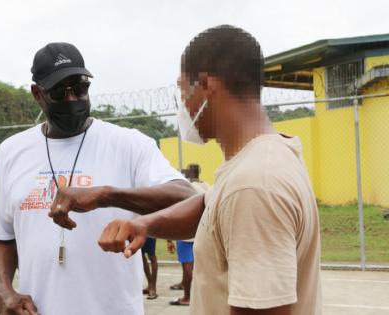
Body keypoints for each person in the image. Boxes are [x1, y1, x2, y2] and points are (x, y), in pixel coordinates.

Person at [98, 25, 322, 315]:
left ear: (205, 86)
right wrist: (145, 224)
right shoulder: (265, 159)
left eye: (182, 91)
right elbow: (208, 205)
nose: (183, 106)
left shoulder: (252, 184)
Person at [0, 42, 195, 315]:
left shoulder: (129, 145)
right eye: (60, 91)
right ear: (38, 94)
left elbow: (188, 198)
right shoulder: (11, 152)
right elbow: (2, 236)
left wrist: (107, 195)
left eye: (80, 87)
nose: (72, 99)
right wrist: (2, 290)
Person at [168, 163, 208, 306]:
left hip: (185, 232)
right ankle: (191, 290)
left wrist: (170, 237)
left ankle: (187, 297)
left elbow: (177, 210)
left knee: (187, 266)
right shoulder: (205, 186)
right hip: (201, 231)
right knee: (196, 265)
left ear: (189, 174)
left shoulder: (186, 188)